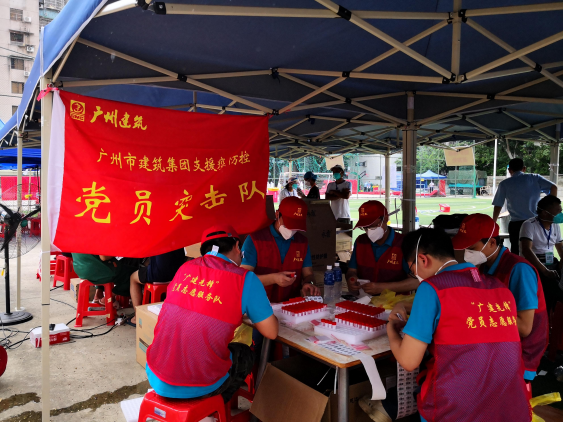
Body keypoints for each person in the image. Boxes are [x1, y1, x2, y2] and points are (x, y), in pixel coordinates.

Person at [387, 228, 531, 422]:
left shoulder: (431, 288)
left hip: (456, 409)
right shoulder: (499, 287)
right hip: (511, 407)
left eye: (412, 270)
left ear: (422, 260)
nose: (415, 276)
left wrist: (392, 328)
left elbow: (408, 360)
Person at [146, 224, 278, 402]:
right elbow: (271, 331)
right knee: (244, 354)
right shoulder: (244, 278)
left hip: (156, 373)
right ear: (237, 247)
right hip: (200, 384)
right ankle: (216, 405)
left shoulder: (185, 268)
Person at [452, 213, 548, 384]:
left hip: (521, 353)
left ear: (492, 243)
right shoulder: (483, 267)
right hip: (497, 345)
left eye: (471, 248)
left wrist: (473, 310)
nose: (466, 254)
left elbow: (524, 328)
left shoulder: (519, 269)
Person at [241, 196, 320, 302]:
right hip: (259, 304)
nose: (291, 229)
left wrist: (308, 283)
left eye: (296, 226)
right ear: (277, 215)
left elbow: (308, 274)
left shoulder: (302, 242)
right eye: (289, 224)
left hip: (291, 305)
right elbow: (244, 278)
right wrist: (273, 278)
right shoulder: (255, 240)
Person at [346, 201, 418, 294]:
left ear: (385, 218)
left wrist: (382, 288)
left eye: (373, 226)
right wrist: (351, 279)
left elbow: (416, 281)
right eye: (365, 227)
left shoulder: (403, 244)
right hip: (365, 299)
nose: (369, 231)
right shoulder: (361, 241)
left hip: (396, 301)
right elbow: (352, 270)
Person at [492, 157, 557, 255]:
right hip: (535, 222)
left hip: (516, 224)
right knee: (537, 251)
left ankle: (519, 265)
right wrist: (550, 207)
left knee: (516, 252)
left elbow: (498, 205)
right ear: (524, 168)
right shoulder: (535, 178)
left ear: (509, 170)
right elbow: (553, 187)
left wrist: (493, 222)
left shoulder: (504, 184)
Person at [520, 195, 563, 313]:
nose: (560, 214)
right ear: (544, 212)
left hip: (550, 262)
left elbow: (560, 249)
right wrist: (545, 271)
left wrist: (561, 265)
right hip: (533, 263)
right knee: (552, 287)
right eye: (558, 211)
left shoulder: (555, 226)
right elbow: (526, 250)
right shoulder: (529, 224)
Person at [129, 248, 187, 324]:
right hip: (177, 274)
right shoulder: (178, 240)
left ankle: (137, 316)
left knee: (133, 278)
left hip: (158, 274)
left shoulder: (156, 241)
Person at [71, 254, 137, 301]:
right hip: (96, 270)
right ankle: (109, 297)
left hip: (80, 268)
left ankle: (98, 292)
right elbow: (104, 257)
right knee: (133, 274)